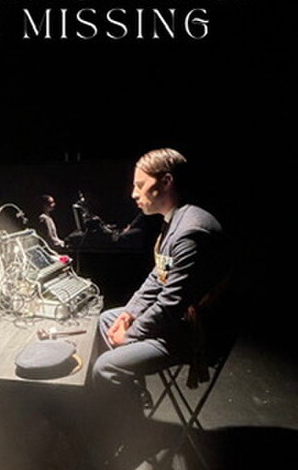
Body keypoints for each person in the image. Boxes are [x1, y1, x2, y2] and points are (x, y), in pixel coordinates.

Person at [93, 148, 229, 414]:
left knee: (105, 367)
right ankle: (131, 396)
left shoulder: (191, 231)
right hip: (176, 320)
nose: (134, 194)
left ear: (166, 182)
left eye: (140, 185)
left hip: (191, 332)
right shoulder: (176, 220)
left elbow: (171, 304)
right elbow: (158, 277)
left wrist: (130, 333)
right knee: (108, 319)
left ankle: (125, 421)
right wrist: (129, 314)